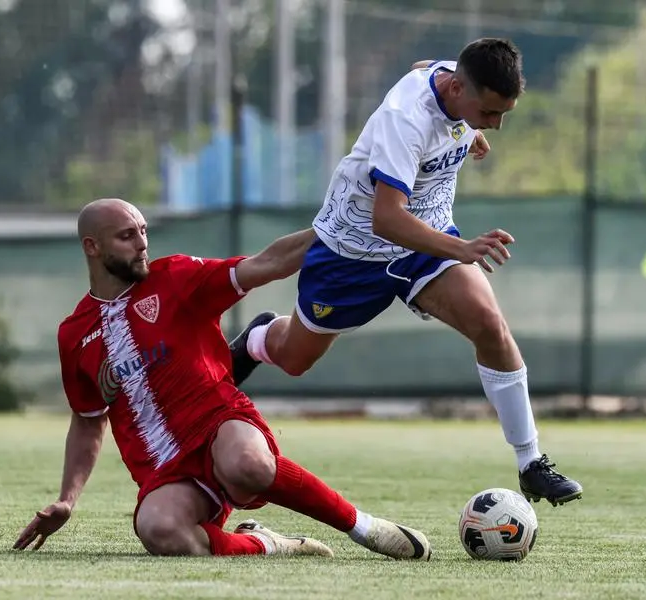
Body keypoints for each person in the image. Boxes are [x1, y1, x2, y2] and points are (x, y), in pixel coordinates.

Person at [230, 38, 583, 507]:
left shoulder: (453, 82)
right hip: (353, 251)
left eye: (502, 116)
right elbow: (387, 219)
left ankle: (530, 462)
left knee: (489, 324)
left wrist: (467, 128)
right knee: (294, 357)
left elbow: (424, 66)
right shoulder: (405, 120)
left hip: (425, 240)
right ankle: (258, 338)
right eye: (490, 113)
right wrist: (464, 248)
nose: (495, 125)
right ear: (458, 88)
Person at [13, 198, 431, 560]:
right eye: (127, 236)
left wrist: (345, 227)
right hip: (167, 472)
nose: (142, 243)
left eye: (143, 231)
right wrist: (67, 499)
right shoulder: (73, 334)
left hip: (218, 423)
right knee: (159, 530)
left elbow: (266, 263)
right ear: (92, 246)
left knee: (246, 465)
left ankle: (364, 527)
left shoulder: (174, 277)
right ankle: (267, 544)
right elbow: (88, 419)